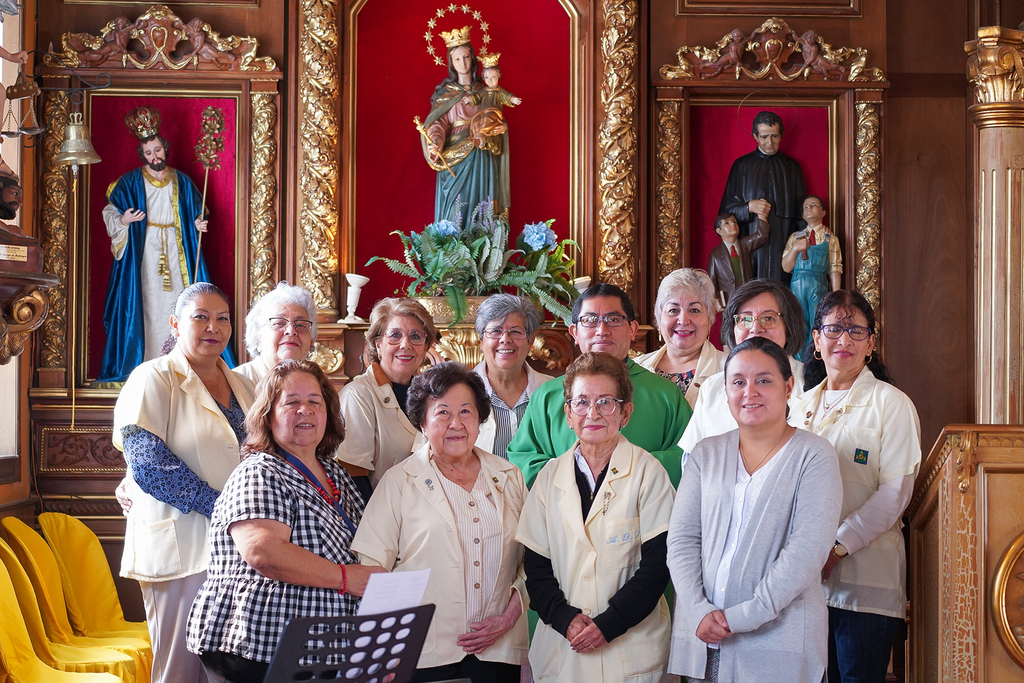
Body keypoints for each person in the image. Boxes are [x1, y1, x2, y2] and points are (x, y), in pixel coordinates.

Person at [187, 360, 385, 683]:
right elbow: (264, 553)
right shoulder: (259, 471)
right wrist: (345, 578)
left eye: (315, 402)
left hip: (324, 647)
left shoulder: (334, 472)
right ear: (268, 415)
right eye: (291, 402)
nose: (305, 410)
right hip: (260, 646)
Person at [667, 337, 842, 682]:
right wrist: (698, 610)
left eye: (764, 380)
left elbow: (808, 550)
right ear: (726, 391)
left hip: (780, 643)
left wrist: (742, 617)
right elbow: (682, 540)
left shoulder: (815, 454)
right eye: (738, 382)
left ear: (788, 386)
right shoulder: (705, 454)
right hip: (704, 636)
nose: (750, 392)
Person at [112, 282, 255, 683]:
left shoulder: (243, 385)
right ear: (176, 324)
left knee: (226, 669)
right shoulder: (152, 377)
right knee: (181, 669)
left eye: (222, 318)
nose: (213, 327)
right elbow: (148, 464)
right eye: (201, 317)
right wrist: (225, 508)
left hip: (239, 545)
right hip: (182, 544)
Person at [352, 362, 528, 683]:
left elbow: (534, 559)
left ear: (479, 419)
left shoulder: (509, 476)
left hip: (498, 648)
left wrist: (510, 616)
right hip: (421, 651)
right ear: (422, 423)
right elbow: (373, 569)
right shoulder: (399, 481)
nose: (456, 423)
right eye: (443, 413)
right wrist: (382, 649)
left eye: (466, 412)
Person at [516, 352, 675, 682]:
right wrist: (565, 619)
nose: (593, 413)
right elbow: (536, 566)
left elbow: (658, 566)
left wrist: (610, 623)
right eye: (582, 402)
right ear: (568, 414)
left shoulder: (648, 473)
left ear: (625, 412)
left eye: (606, 402)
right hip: (563, 648)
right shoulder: (548, 479)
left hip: (630, 649)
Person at [791, 290, 922, 683]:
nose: (844, 340)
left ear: (871, 342)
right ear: (816, 340)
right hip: (803, 586)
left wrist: (836, 547)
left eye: (856, 331)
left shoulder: (892, 404)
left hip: (865, 585)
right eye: (833, 329)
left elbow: (895, 493)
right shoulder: (798, 407)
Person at [507, 283, 692, 487]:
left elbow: (688, 458)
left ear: (632, 329)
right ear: (574, 332)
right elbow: (522, 461)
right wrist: (578, 472)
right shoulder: (547, 396)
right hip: (564, 505)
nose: (602, 330)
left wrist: (627, 469)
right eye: (590, 320)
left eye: (613, 319)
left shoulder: (666, 395)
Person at [99, 105, 228, 383]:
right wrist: (123, 219)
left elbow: (196, 214)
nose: (154, 156)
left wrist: (197, 225)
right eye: (149, 153)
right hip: (145, 251)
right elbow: (110, 211)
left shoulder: (182, 181)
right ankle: (147, 363)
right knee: (147, 303)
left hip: (176, 249)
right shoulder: (130, 182)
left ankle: (182, 362)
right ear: (143, 155)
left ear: (165, 149)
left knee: (181, 302)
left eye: (157, 150)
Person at [679, 278, 805, 460]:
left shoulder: (810, 384)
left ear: (789, 327)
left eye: (769, 318)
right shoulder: (712, 387)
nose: (755, 328)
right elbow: (690, 459)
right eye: (745, 319)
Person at [335, 297, 439, 498]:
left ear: (426, 346)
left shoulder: (432, 395)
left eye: (416, 336)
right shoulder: (358, 395)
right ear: (378, 344)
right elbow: (353, 478)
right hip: (380, 512)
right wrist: (381, 516)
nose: (405, 344)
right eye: (395, 335)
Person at [421, 26, 508, 223]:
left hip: (482, 153)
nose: (463, 63)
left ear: (473, 58)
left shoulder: (486, 91)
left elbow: (495, 117)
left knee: (482, 204)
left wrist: (500, 128)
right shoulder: (446, 94)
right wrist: (436, 141)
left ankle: (485, 240)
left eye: (466, 57)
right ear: (451, 63)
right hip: (455, 157)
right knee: (456, 209)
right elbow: (438, 123)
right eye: (457, 59)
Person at [719, 110, 807, 282]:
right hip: (751, 244)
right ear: (755, 136)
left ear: (781, 135)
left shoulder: (792, 167)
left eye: (774, 136)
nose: (769, 142)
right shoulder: (742, 166)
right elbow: (724, 213)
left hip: (784, 241)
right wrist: (748, 207)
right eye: (764, 137)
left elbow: (801, 213)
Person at [473, 294, 552, 459]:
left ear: (530, 341)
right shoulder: (457, 392)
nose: (505, 339)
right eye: (495, 331)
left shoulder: (554, 392)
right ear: (481, 341)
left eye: (515, 331)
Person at [637, 268, 726, 407]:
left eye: (694, 310)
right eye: (673, 310)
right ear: (659, 319)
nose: (683, 321)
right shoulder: (635, 368)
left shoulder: (731, 370)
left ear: (710, 320)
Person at [782, 196, 843, 356]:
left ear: (823, 212)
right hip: (798, 284)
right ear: (803, 215)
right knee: (799, 322)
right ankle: (799, 359)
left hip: (819, 284)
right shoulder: (795, 237)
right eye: (805, 207)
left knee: (818, 321)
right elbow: (786, 267)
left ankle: (815, 359)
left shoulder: (831, 239)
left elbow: (835, 268)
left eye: (814, 205)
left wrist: (836, 294)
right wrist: (795, 249)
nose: (809, 208)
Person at [234, 281, 318, 384]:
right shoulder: (234, 384)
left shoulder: (317, 386)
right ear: (257, 339)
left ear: (311, 342)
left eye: (300, 325)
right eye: (279, 323)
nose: (291, 331)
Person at [706, 212, 768, 308]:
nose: (733, 224)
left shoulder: (745, 245)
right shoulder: (715, 254)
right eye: (727, 223)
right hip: (729, 299)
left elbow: (761, 235)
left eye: (734, 221)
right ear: (719, 231)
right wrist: (714, 299)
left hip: (747, 295)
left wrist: (762, 216)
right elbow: (712, 280)